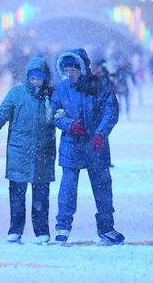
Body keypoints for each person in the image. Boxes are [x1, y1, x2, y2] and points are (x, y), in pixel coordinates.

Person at [51, 48, 124, 246]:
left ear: (82, 68)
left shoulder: (101, 86)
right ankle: (63, 226)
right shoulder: (62, 89)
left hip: (95, 146)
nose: (69, 74)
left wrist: (100, 133)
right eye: (66, 70)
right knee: (68, 187)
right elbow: (55, 113)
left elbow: (111, 111)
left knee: (102, 187)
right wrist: (69, 124)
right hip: (71, 145)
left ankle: (106, 228)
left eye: (73, 70)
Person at [0, 57, 56, 245]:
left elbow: (63, 116)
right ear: (27, 77)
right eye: (33, 78)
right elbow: (1, 115)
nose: (36, 82)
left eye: (39, 78)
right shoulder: (16, 94)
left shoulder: (52, 96)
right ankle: (15, 229)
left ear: (45, 78)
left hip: (43, 153)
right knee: (16, 194)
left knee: (41, 195)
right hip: (19, 152)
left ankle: (41, 230)